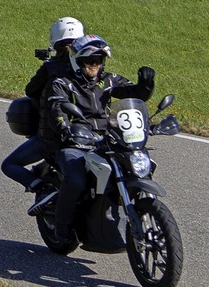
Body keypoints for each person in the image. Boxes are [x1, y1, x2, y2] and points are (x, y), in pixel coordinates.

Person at [40, 34, 155, 243]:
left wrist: (146, 85)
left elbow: (133, 95)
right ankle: (62, 227)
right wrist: (65, 128)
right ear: (77, 60)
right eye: (89, 60)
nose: (94, 65)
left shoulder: (109, 80)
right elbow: (57, 109)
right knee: (76, 180)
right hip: (75, 142)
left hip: (106, 140)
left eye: (99, 60)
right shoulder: (62, 83)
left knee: (140, 166)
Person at [1, 18, 85, 211]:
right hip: (91, 131)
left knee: (9, 164)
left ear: (55, 42)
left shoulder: (51, 68)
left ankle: (42, 188)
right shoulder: (91, 65)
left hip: (54, 133)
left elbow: (31, 90)